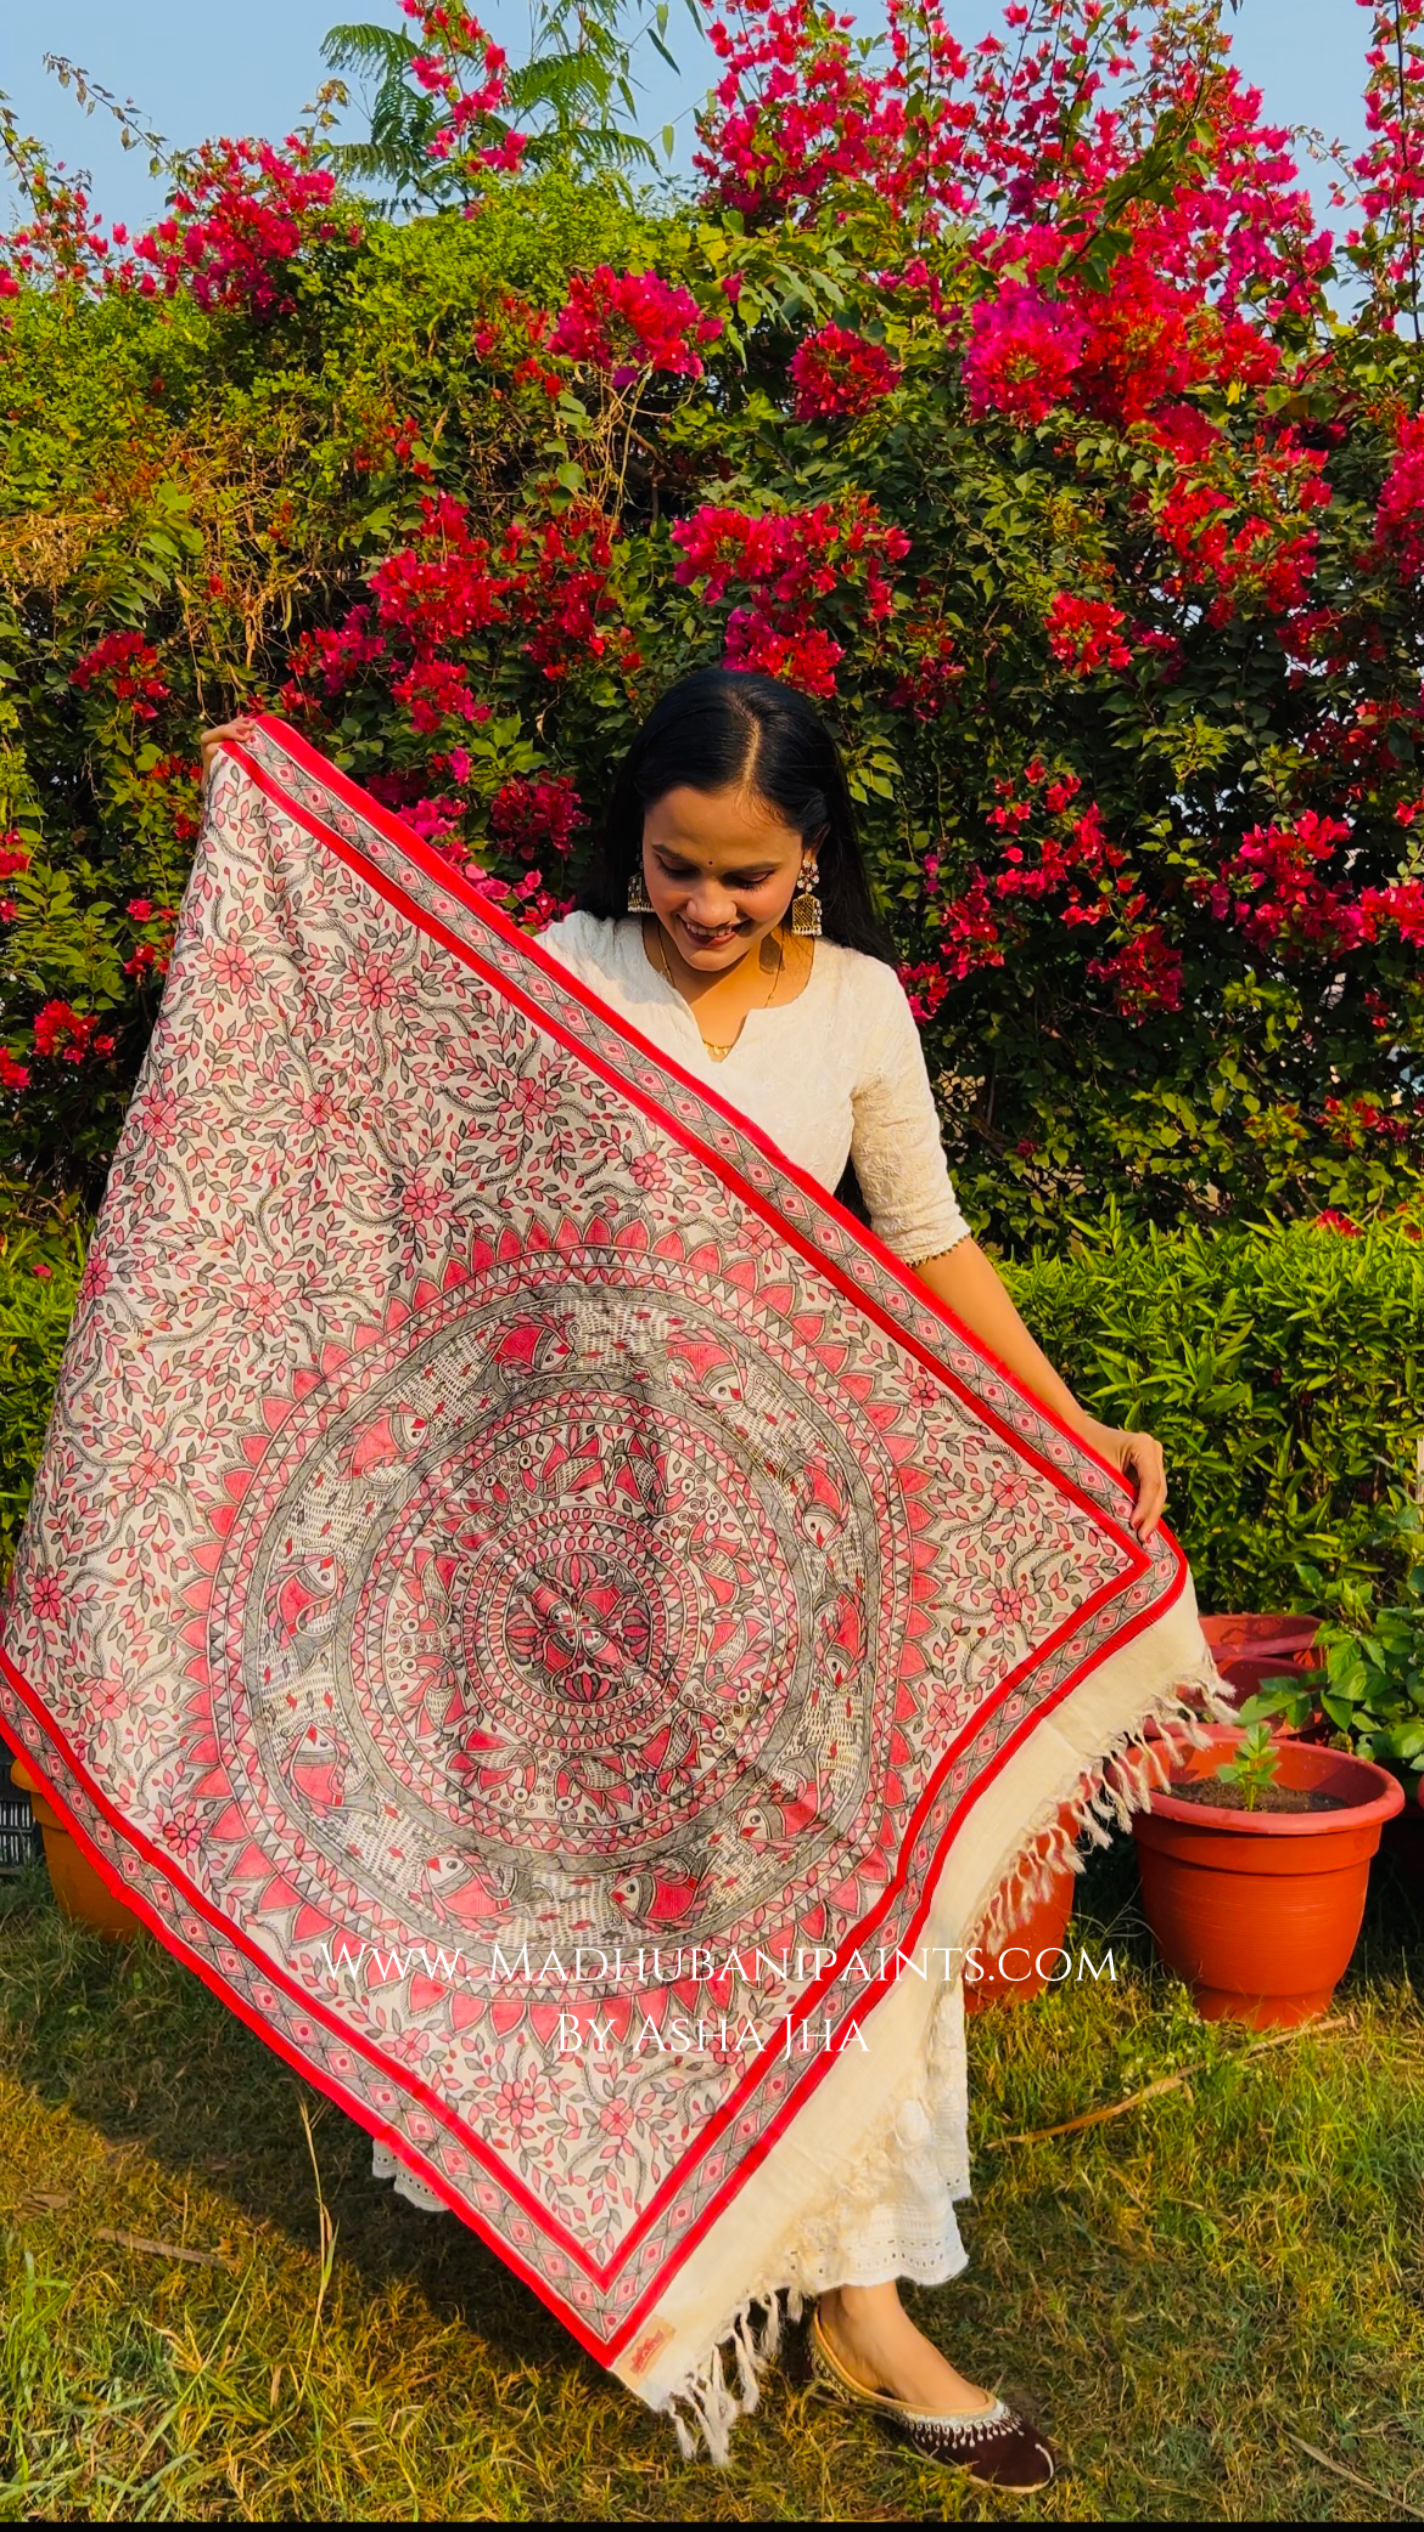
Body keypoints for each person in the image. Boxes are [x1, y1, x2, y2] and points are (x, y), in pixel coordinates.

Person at [199, 669, 1168, 2494]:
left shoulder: (864, 1009)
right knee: (594, 1881)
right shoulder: (552, 975)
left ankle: (860, 2297)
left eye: (751, 878)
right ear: (627, 838)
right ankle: (628, 2233)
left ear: (815, 858)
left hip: (794, 1534)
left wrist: (1071, 1423)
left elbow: (930, 1242)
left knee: (837, 1898)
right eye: (678, 869)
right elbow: (386, 1162)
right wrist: (269, 841)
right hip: (567, 1530)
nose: (708, 911)